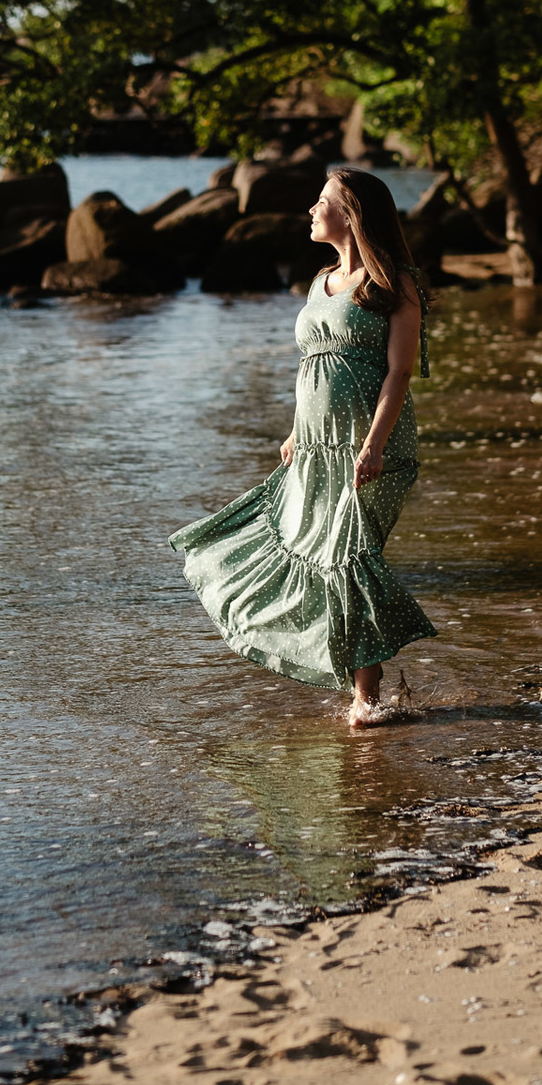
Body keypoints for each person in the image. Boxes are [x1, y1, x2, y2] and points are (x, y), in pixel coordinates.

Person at [170, 166, 437, 725]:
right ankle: (359, 685)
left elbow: (399, 373)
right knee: (307, 548)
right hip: (316, 446)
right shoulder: (320, 280)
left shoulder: (393, 283)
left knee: (349, 555)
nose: (311, 211)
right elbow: (313, 366)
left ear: (352, 212)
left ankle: (367, 697)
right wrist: (297, 430)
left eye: (322, 201)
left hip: (369, 446)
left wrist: (373, 445)